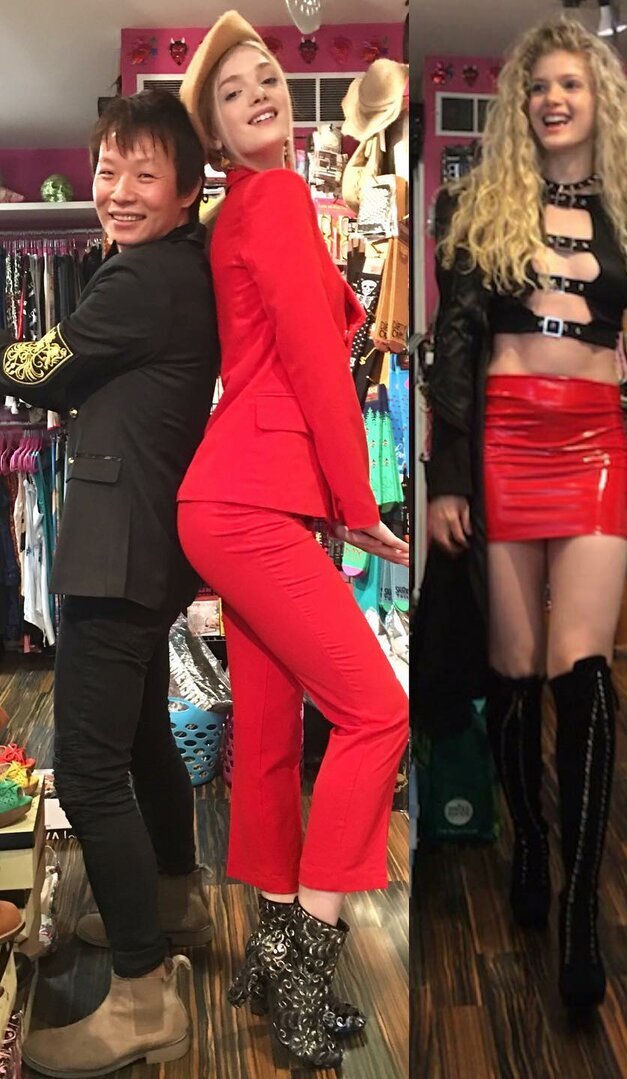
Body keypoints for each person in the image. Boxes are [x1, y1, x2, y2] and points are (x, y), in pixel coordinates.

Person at [425, 15, 627, 1012]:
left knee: (585, 670)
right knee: (513, 666)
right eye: (539, 86)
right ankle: (528, 839)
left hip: (596, 446)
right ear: (520, 103)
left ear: (598, 98)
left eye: (571, 83)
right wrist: (448, 477)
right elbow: (454, 342)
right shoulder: (472, 204)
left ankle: (581, 903)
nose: (553, 99)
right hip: (500, 441)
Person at [177, 12, 409, 1069]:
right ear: (214, 132)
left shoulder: (262, 204)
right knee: (379, 711)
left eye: (266, 75)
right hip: (253, 499)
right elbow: (316, 359)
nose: (259, 92)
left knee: (271, 731)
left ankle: (274, 947)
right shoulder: (267, 200)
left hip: (243, 497)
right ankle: (311, 964)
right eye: (232, 92)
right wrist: (359, 500)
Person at [0, 90, 219, 1075]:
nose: (119, 191)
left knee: (87, 768)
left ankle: (140, 996)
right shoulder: (176, 267)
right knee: (136, 738)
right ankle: (173, 899)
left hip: (115, 545)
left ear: (185, 191)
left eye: (144, 174)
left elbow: (43, 369)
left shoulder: (139, 278)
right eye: (107, 170)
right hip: (144, 540)